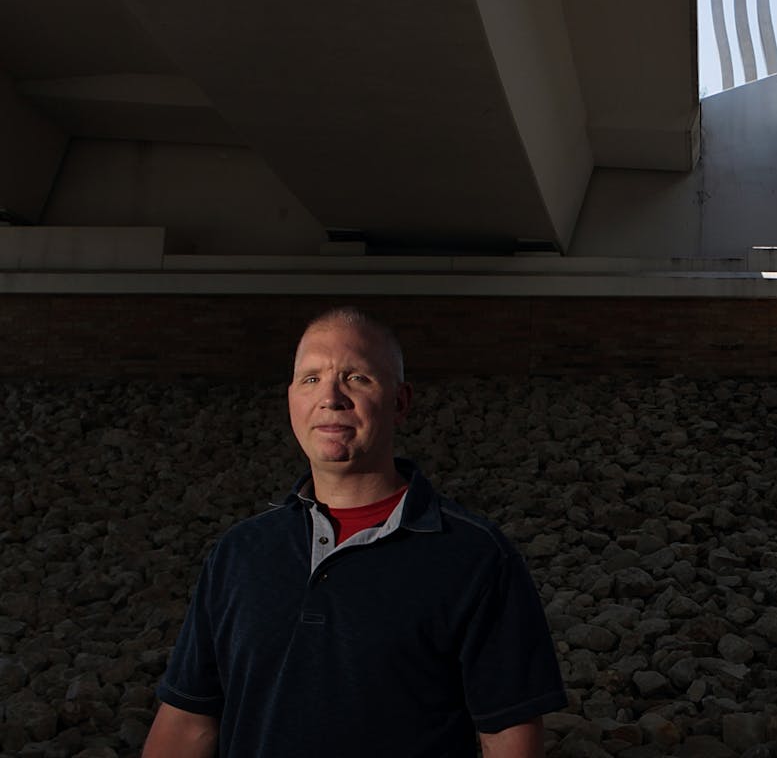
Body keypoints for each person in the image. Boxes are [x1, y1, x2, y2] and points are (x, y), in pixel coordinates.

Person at [142, 307, 567, 757]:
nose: (331, 397)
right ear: (291, 400)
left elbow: (509, 738)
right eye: (311, 379)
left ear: (400, 402)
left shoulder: (475, 557)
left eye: (356, 378)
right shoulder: (241, 553)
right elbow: (188, 724)